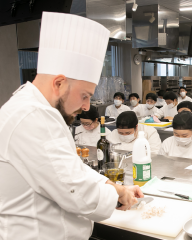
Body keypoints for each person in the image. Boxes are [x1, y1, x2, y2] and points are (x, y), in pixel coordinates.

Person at [0, 12, 142, 240]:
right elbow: (76, 191)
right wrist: (118, 195)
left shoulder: (37, 109)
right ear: (59, 83)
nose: (87, 106)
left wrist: (115, 187)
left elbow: (70, 169)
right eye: (84, 95)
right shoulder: (32, 116)